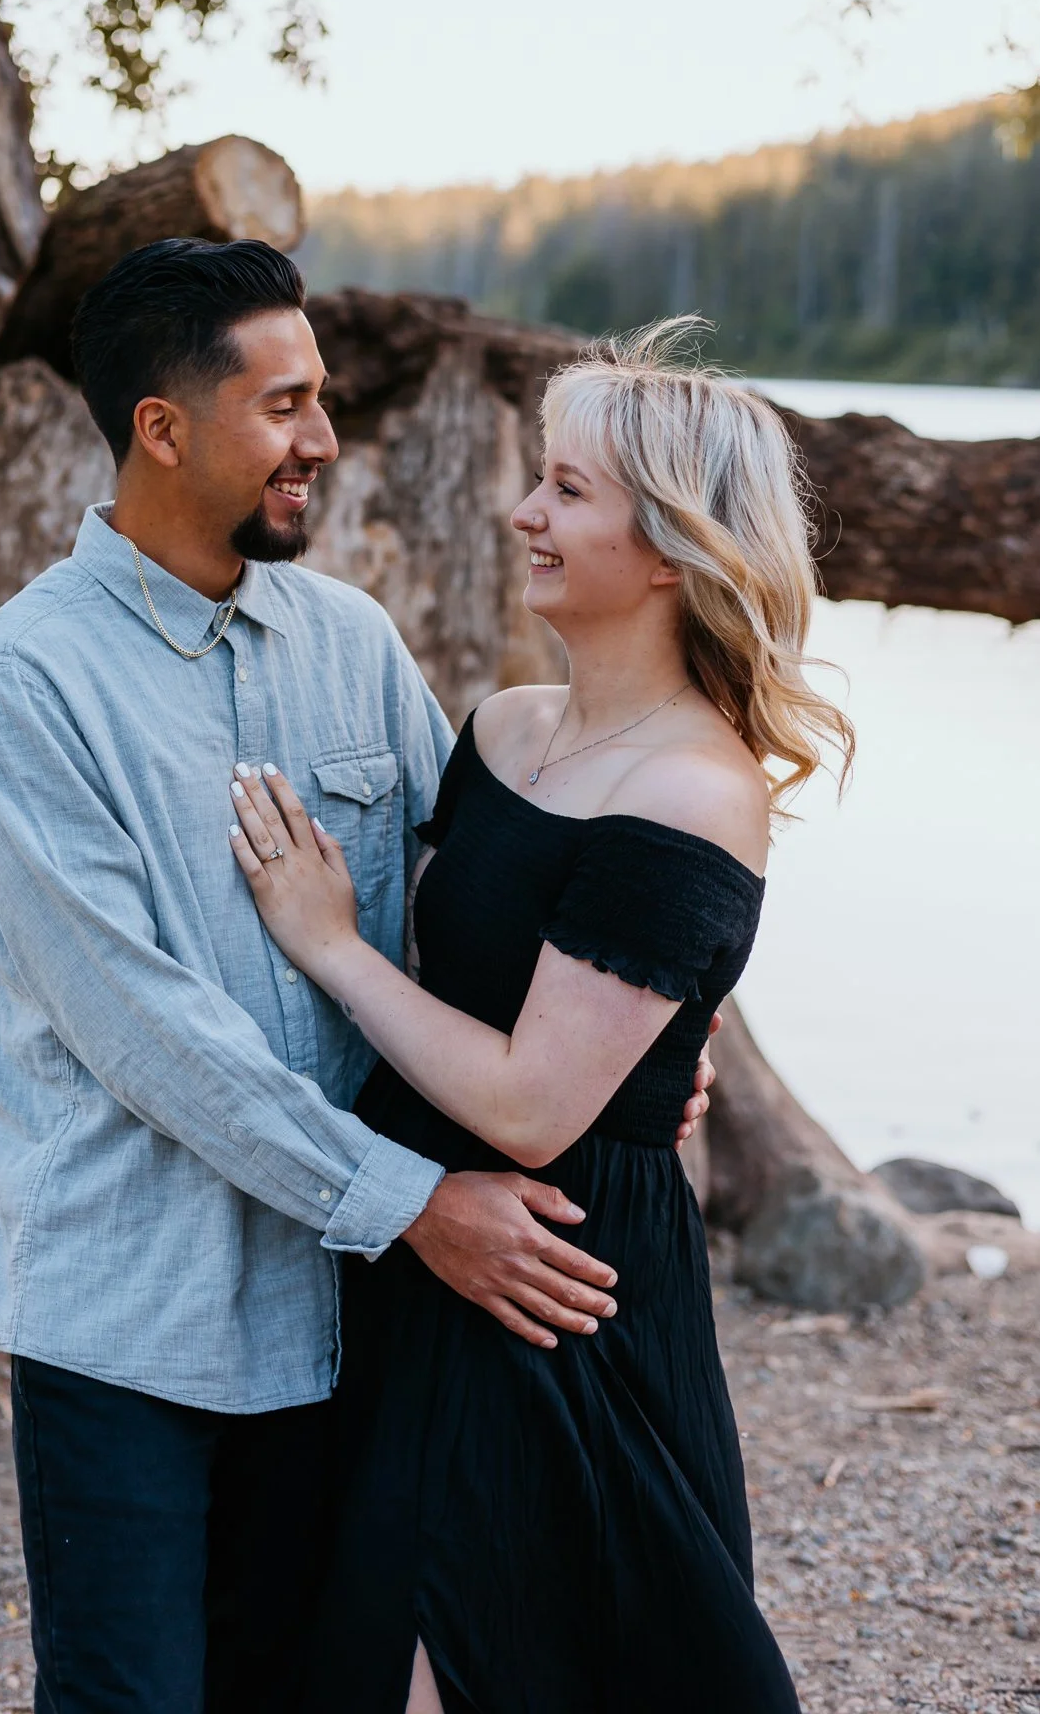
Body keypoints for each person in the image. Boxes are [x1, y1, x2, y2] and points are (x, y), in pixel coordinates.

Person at [0, 241, 714, 1713]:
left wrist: (641, 1054)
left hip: (349, 1315)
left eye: (323, 397)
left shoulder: (350, 643)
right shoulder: (26, 683)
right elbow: (143, 1031)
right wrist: (413, 1203)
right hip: (134, 1316)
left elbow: (479, 907)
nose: (324, 439)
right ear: (163, 428)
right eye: (283, 405)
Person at [226, 320, 855, 1714]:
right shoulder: (505, 727)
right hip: (417, 1236)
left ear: (674, 547)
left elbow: (529, 1103)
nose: (524, 512)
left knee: (500, 1650)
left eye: (567, 491)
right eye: (538, 479)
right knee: (353, 1631)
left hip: (560, 1275)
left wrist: (325, 944)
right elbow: (469, 983)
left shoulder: (695, 791)